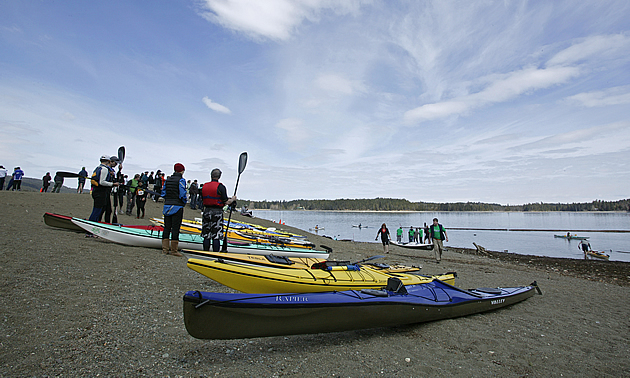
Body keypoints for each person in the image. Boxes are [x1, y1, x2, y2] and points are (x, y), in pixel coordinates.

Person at [201, 168, 236, 252]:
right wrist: (233, 199)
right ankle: (215, 253)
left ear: (211, 175)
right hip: (217, 212)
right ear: (219, 176)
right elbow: (226, 201)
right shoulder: (221, 187)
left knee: (206, 234)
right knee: (216, 235)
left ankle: (205, 252)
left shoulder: (204, 186)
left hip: (206, 211)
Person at [161, 163, 187, 256]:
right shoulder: (181, 180)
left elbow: (163, 193)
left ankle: (165, 249)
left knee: (167, 227)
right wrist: (184, 202)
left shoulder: (168, 180)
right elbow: (182, 194)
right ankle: (174, 250)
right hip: (177, 206)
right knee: (175, 228)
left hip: (167, 206)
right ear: (182, 171)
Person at [88, 155, 119, 222]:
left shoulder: (98, 168)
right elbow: (102, 182)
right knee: (97, 210)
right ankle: (92, 223)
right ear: (108, 161)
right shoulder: (104, 169)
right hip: (100, 192)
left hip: (96, 190)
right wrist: (113, 184)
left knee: (98, 209)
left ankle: (93, 222)